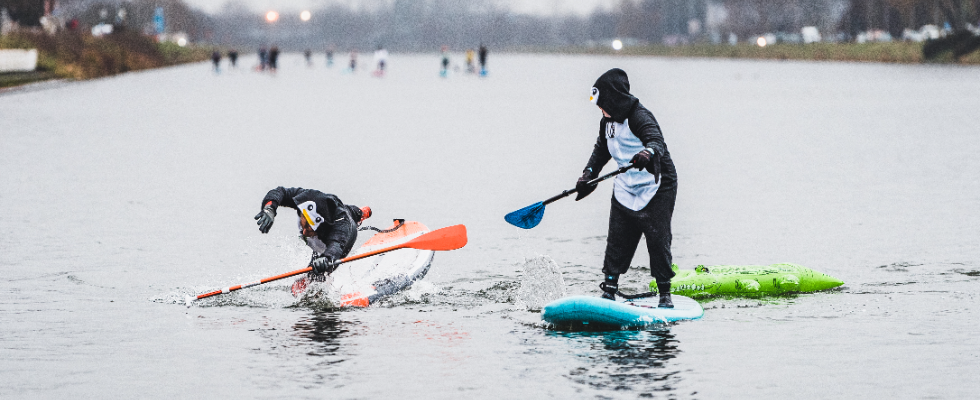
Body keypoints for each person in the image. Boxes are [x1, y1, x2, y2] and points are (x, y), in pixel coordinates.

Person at [575, 68, 678, 308]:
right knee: (617, 239)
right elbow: (601, 150)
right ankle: (609, 289)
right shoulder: (607, 121)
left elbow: (656, 141)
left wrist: (646, 153)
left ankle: (665, 294)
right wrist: (588, 174)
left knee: (657, 237)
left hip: (656, 184)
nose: (599, 109)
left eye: (601, 103)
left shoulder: (639, 116)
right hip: (625, 185)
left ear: (612, 99)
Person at [254, 187, 372, 278]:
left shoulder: (341, 227)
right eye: (303, 225)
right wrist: (270, 208)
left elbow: (335, 247)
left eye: (309, 229)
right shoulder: (306, 198)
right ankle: (361, 212)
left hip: (345, 234)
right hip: (334, 209)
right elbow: (280, 192)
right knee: (347, 209)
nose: (304, 233)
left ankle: (361, 213)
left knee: (316, 273)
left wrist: (326, 259)